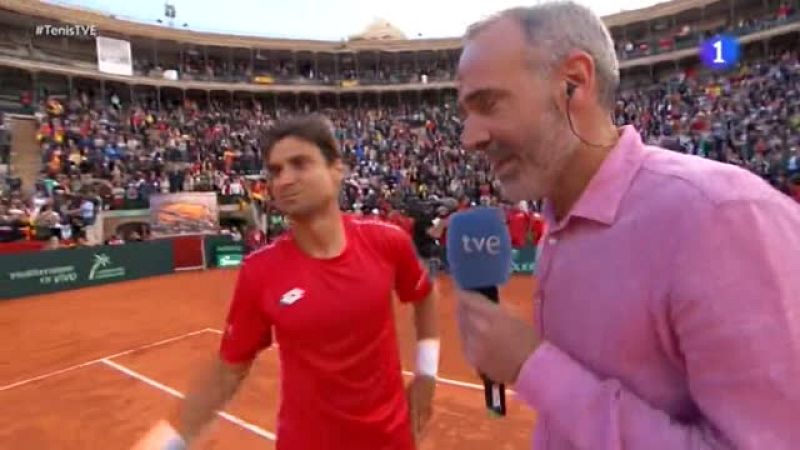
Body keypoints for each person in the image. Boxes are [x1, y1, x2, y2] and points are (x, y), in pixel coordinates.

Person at [453, 2, 800, 449]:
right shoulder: (559, 225)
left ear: (573, 84)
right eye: (466, 112)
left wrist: (533, 366)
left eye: (489, 103)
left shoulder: (721, 217)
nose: (469, 137)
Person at [135, 115, 440, 449]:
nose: (284, 179)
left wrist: (426, 375)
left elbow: (424, 294)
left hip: (392, 440)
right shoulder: (259, 271)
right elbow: (226, 374)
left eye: (299, 164)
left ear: (337, 170)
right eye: (276, 170)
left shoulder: (388, 242)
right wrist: (163, 444)